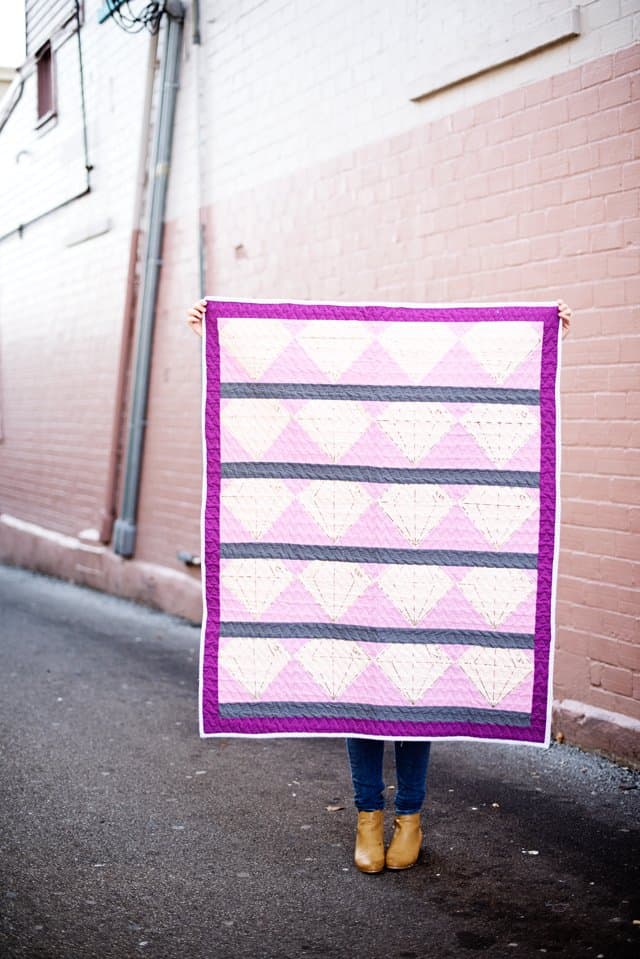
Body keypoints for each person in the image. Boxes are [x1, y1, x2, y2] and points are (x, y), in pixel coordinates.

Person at [186, 295, 573, 874]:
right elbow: (296, 383)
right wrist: (220, 335)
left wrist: (539, 337)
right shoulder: (349, 401)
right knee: (360, 691)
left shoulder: (425, 394)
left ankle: (410, 817)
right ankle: (368, 815)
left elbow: (473, 378)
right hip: (353, 561)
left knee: (413, 693)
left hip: (421, 559)